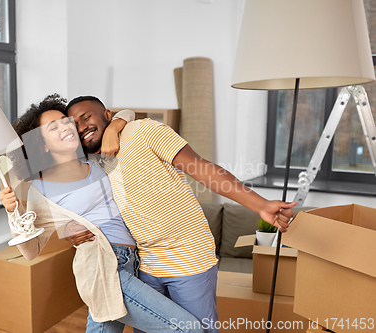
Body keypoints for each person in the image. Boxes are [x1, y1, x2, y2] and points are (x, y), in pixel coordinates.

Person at [65, 96, 297, 333]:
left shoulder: (142, 131)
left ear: (107, 115)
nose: (82, 127)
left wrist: (260, 204)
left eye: (86, 117)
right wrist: (70, 230)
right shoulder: (91, 165)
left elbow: (201, 168)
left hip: (189, 257)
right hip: (145, 265)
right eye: (74, 125)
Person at [0, 93, 204, 333]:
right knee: (188, 328)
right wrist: (12, 211)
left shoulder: (97, 162)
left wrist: (114, 126)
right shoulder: (40, 189)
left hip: (136, 261)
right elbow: (30, 249)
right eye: (53, 127)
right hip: (103, 265)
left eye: (66, 122)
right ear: (41, 143)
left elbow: (127, 113)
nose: (65, 128)